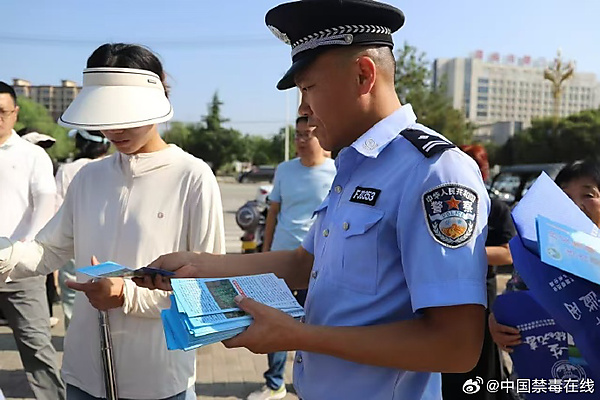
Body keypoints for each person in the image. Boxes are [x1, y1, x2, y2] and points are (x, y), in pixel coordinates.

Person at [138, 1, 490, 399]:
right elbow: (304, 264)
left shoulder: (434, 172)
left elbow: (455, 346)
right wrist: (199, 266)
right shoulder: (355, 165)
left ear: (363, 75)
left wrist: (297, 336)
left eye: (308, 89)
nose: (304, 111)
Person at [0, 43, 226, 399]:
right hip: (84, 374)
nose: (115, 130)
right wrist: (6, 255)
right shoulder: (88, 177)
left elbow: (207, 289)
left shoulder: (192, 177)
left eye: (126, 116)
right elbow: (48, 250)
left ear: (160, 97)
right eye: (105, 117)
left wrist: (125, 296)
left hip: (158, 378)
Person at [247, 115, 336, 400]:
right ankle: (275, 383)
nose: (300, 140)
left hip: (317, 264)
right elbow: (273, 213)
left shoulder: (336, 171)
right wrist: (265, 252)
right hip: (281, 260)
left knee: (313, 327)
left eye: (306, 134)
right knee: (273, 322)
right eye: (297, 134)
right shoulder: (285, 170)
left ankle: (309, 384)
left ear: (320, 135)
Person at [490, 160, 600, 352]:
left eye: (588, 195)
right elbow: (514, 298)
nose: (575, 205)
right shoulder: (537, 252)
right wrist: (496, 322)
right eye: (565, 196)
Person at [0, 82, 65, 400]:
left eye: (2, 111)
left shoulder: (32, 155)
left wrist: (24, 249)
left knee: (37, 348)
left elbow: (45, 204)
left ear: (15, 113)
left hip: (21, 270)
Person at [442, 145, 516, 400]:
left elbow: (507, 254)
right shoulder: (443, 206)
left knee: (482, 356)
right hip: (445, 290)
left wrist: (458, 251)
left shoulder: (495, 208)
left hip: (481, 290)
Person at [55, 129, 111, 329]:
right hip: (111, 245)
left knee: (74, 297)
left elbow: (57, 213)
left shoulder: (69, 170)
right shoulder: (116, 166)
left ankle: (76, 337)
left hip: (75, 245)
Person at [17, 127, 62, 328]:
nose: (40, 149)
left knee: (45, 274)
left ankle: (45, 314)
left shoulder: (46, 163)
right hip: (17, 239)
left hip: (43, 235)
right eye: (36, 145)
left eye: (42, 146)